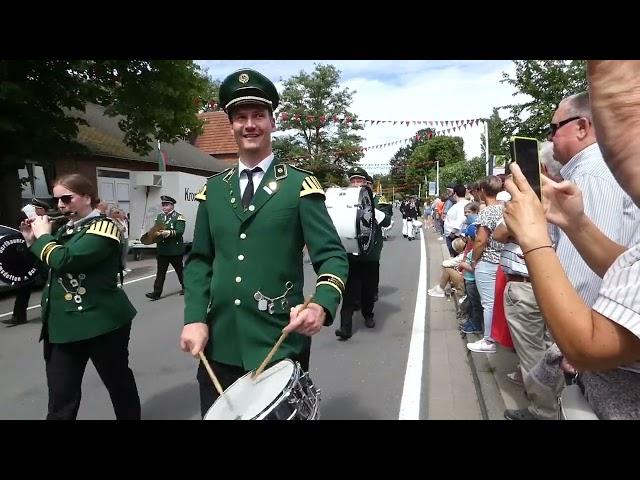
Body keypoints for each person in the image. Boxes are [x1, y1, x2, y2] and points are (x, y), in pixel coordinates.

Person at [179, 68, 349, 418]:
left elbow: (332, 256)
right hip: (220, 342)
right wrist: (194, 318)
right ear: (231, 126)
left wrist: (321, 304)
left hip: (278, 341)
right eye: (240, 117)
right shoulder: (212, 191)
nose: (249, 124)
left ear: (272, 122)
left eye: (258, 115)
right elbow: (199, 261)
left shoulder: (299, 186)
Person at [504, 71, 640, 419]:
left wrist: (533, 237)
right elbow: (627, 266)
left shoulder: (594, 172)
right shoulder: (586, 174)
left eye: (554, 128)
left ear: (584, 127)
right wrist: (576, 223)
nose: (548, 138)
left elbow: (589, 340)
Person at [19, 174, 140, 420]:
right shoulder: (65, 229)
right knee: (61, 398)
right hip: (63, 326)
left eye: (67, 198)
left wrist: (43, 238)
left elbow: (65, 261)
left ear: (87, 197)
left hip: (101, 322)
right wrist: (33, 241)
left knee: (118, 383)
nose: (61, 205)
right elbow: (51, 272)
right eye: (57, 200)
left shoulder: (104, 228)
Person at [335, 167, 390, 340]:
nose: (357, 183)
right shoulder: (344, 199)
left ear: (366, 183)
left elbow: (387, 220)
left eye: (360, 180)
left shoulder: (377, 198)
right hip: (350, 252)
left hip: (370, 254)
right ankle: (345, 327)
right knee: (349, 291)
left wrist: (370, 210)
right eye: (353, 180)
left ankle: (368, 315)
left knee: (368, 289)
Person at [2, 198, 50, 327]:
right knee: (24, 287)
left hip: (37, 256)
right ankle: (19, 316)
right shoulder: (31, 218)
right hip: (30, 256)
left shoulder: (42, 221)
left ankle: (21, 316)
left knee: (45, 285)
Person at [145, 195, 186, 300]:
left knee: (180, 271)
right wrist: (154, 234)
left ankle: (187, 287)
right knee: (160, 273)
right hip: (162, 250)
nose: (164, 207)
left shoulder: (179, 217)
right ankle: (156, 293)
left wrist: (168, 232)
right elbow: (156, 228)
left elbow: (180, 231)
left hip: (174, 250)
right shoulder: (159, 217)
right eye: (163, 205)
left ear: (172, 205)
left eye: (166, 205)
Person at [108, 206, 130, 275]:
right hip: (117, 239)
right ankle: (118, 269)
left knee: (124, 253)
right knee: (119, 254)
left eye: (119, 213)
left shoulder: (123, 220)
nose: (119, 214)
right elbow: (119, 229)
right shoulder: (112, 220)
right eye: (117, 213)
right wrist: (122, 229)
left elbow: (125, 228)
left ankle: (123, 267)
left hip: (124, 238)